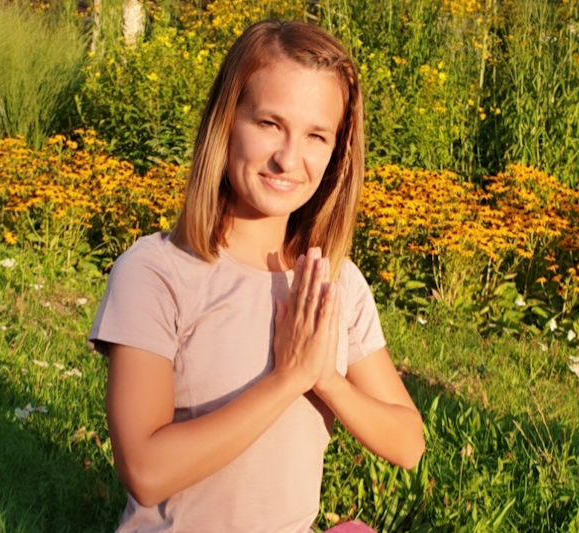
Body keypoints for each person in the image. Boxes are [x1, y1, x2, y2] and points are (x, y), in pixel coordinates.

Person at [88, 19, 425, 533]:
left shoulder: (333, 282)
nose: (288, 159)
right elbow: (146, 472)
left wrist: (326, 379)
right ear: (227, 122)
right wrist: (288, 379)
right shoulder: (156, 273)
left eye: (316, 135)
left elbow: (408, 444)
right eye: (269, 123)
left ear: (337, 154)